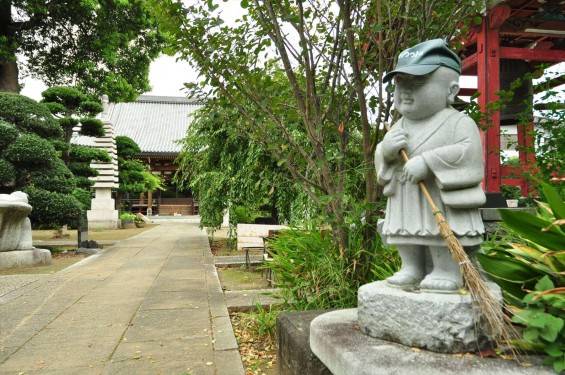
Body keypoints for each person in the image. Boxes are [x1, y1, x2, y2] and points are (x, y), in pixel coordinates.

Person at [375, 39, 486, 293]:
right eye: (400, 83)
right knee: (407, 233)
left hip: (439, 196)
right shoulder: (399, 126)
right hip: (406, 195)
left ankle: (447, 270)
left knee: (440, 233)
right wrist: (386, 151)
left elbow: (467, 154)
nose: (405, 91)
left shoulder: (458, 123)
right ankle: (411, 267)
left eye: (417, 82)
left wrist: (428, 162)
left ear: (451, 90)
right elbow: (381, 164)